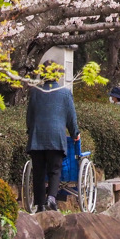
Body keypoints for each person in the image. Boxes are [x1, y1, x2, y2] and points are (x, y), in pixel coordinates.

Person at [26, 62, 80, 212]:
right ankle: (51, 198)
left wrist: (30, 130)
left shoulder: (35, 92)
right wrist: (75, 133)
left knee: (38, 172)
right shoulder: (65, 92)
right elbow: (71, 118)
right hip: (56, 138)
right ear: (58, 75)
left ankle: (40, 205)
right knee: (55, 170)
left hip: (37, 138)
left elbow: (30, 117)